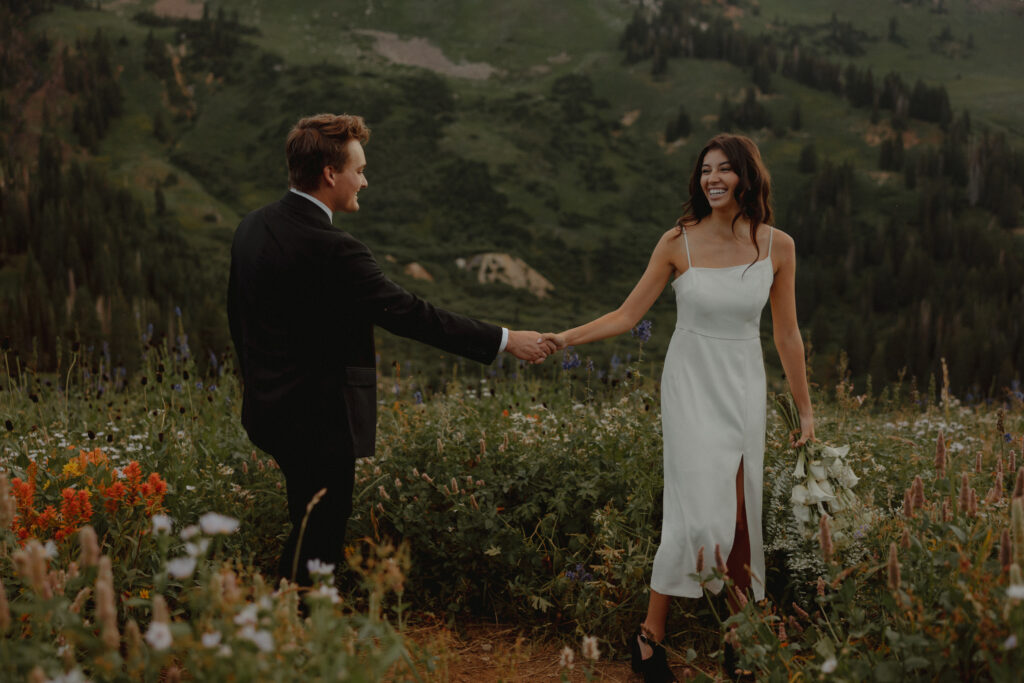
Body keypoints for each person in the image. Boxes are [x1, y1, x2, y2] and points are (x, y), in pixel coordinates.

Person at [227, 113, 553, 588]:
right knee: (320, 535)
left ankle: (290, 625)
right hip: (319, 421)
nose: (365, 179)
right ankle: (301, 634)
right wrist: (506, 339)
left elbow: (239, 315)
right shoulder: (337, 250)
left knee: (304, 521)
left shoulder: (251, 226)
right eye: (358, 170)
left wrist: (260, 384)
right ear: (329, 175)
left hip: (267, 411)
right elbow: (414, 315)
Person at [542, 134, 814, 682]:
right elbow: (625, 315)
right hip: (689, 383)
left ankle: (740, 640)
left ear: (747, 177)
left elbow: (787, 334)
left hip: (742, 385)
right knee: (696, 514)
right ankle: (649, 636)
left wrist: (806, 412)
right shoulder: (678, 242)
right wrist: (564, 338)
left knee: (739, 517)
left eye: (724, 170)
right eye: (705, 171)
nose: (712, 179)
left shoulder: (777, 246)